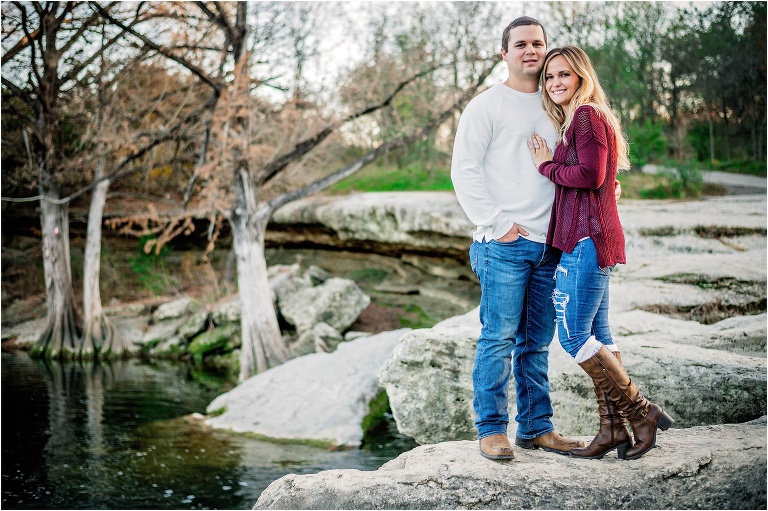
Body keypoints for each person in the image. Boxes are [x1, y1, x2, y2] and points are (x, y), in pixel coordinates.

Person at [527, 46, 673, 460]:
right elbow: (600, 178)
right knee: (599, 337)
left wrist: (545, 165)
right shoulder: (582, 118)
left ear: (581, 77)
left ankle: (641, 412)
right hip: (594, 238)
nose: (555, 82)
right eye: (549, 77)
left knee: (573, 338)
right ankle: (611, 430)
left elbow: (589, 175)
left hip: (586, 242)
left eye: (563, 75)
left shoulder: (587, 115)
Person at [450, 17, 586, 460]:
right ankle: (491, 429)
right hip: (504, 246)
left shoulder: (558, 105)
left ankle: (537, 428)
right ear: (503, 53)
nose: (531, 50)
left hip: (553, 246)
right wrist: (496, 224)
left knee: (536, 343)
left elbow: (579, 165)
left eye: (538, 43)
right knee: (499, 338)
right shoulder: (486, 106)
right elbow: (463, 170)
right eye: (521, 44)